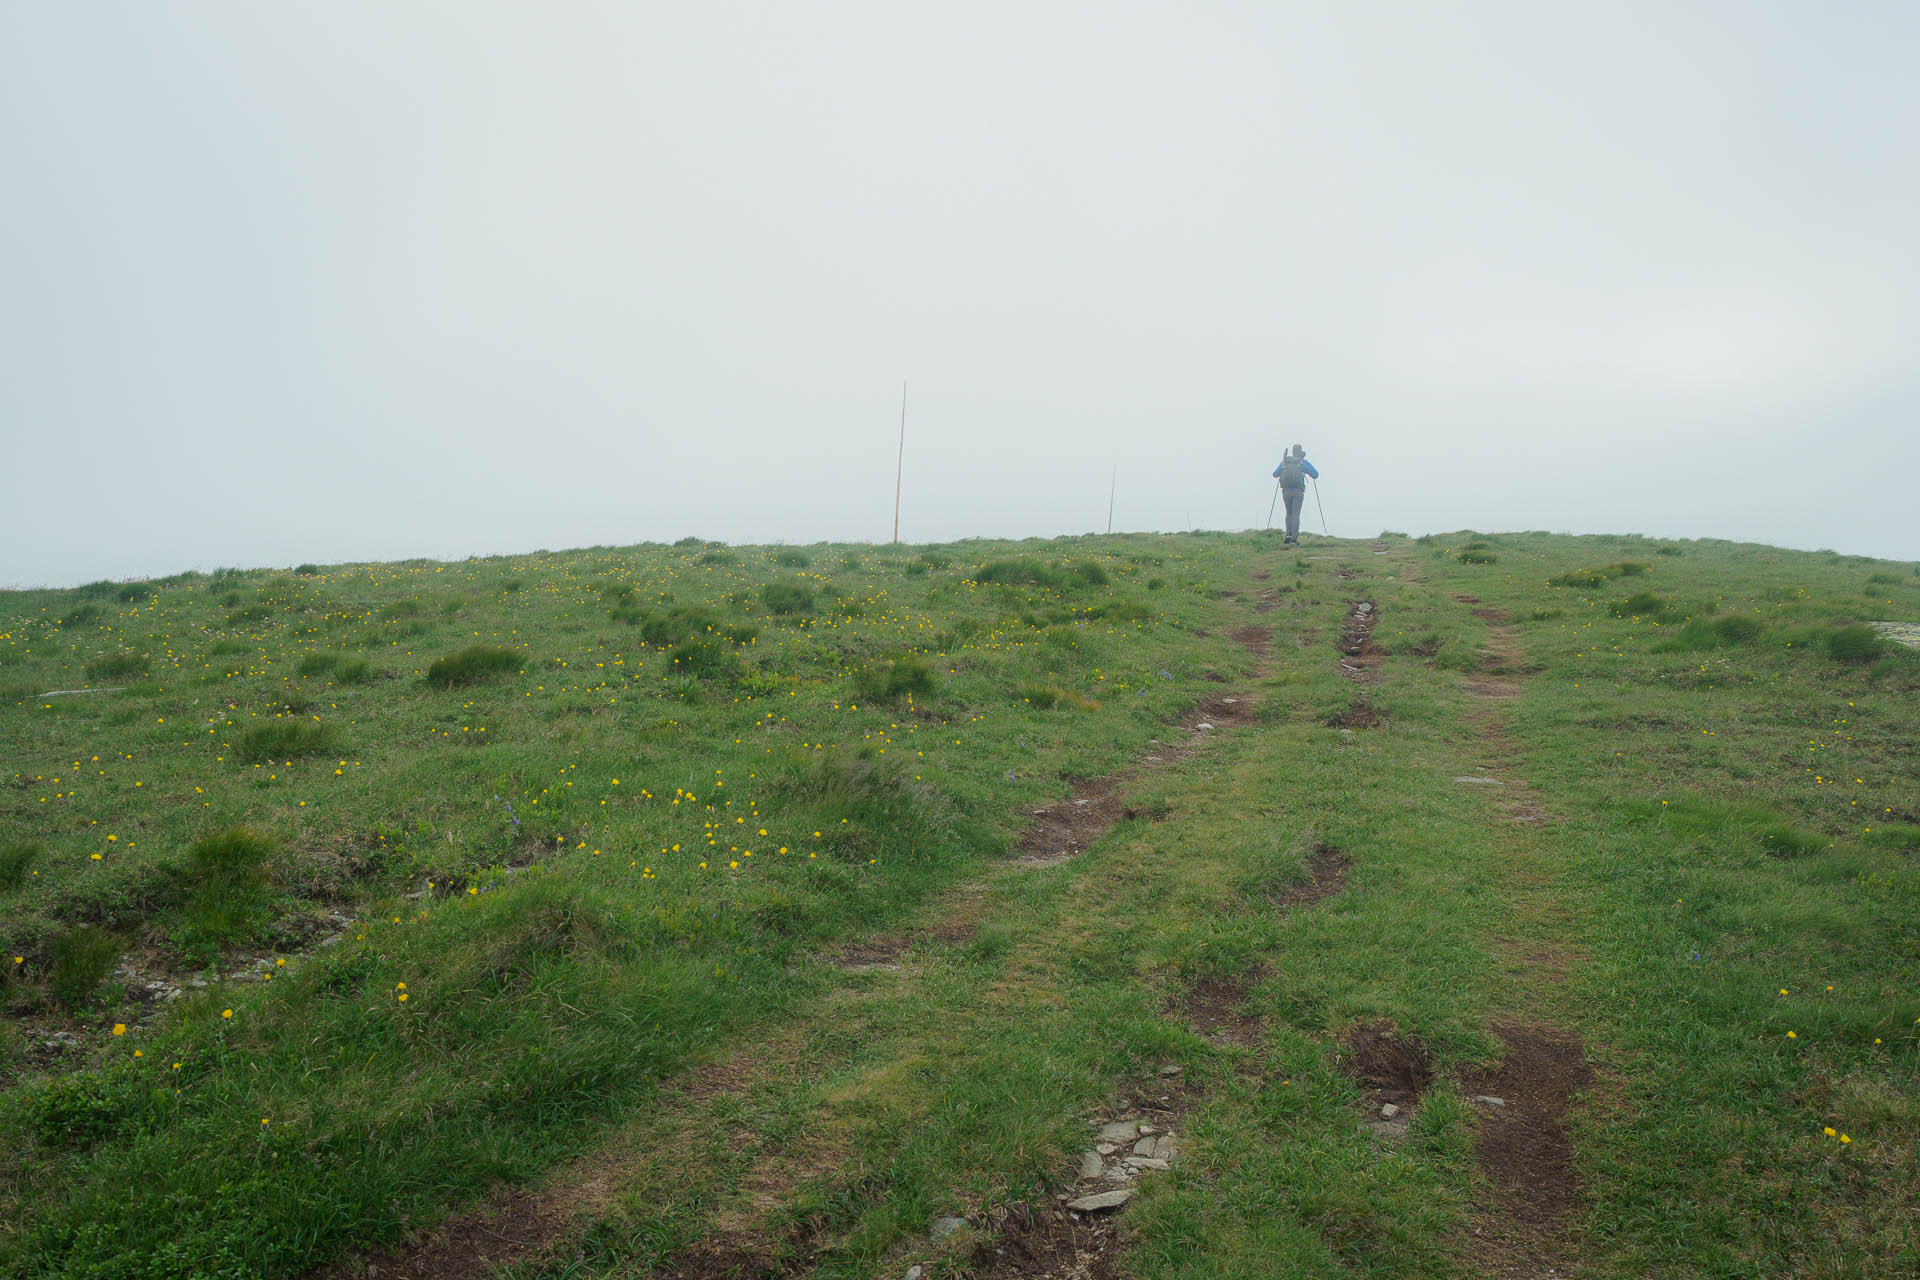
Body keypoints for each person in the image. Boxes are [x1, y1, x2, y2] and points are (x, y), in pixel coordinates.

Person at [1271, 444, 1319, 546]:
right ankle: (1294, 539)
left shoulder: (1285, 461)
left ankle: (1288, 535)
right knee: (1296, 514)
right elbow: (1315, 474)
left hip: (1286, 491)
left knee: (1289, 513)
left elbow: (1275, 474)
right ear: (1300, 452)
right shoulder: (1303, 462)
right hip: (1298, 491)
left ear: (1292, 452)